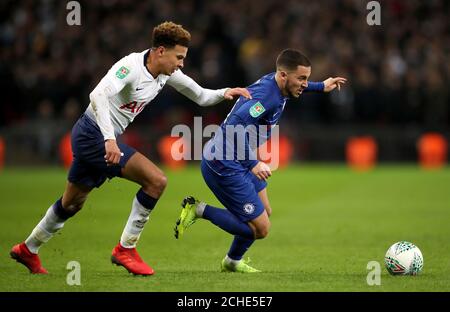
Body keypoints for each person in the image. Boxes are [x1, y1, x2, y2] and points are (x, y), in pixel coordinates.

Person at [10, 21, 251, 276]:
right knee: (156, 181)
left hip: (96, 136)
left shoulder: (166, 74)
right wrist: (109, 140)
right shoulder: (130, 67)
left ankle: (28, 248)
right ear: (160, 51)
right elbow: (98, 96)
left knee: (72, 203)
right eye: (178, 57)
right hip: (94, 135)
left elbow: (201, 95)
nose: (181, 63)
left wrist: (226, 92)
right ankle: (126, 249)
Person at [175, 49, 346, 272]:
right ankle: (198, 209)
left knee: (265, 210)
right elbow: (235, 126)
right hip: (223, 163)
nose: (304, 83)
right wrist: (253, 163)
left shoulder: (278, 84)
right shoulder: (267, 97)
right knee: (260, 228)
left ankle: (232, 262)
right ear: (283, 76)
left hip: (236, 158)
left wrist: (320, 86)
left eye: (306, 78)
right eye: (302, 78)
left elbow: (296, 84)